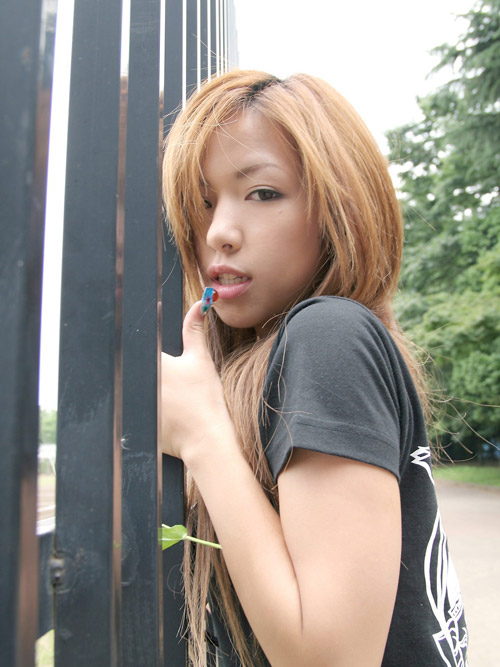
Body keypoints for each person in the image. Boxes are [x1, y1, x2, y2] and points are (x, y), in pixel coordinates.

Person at [160, 70, 468, 667]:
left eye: (262, 193)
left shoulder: (329, 336)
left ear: (338, 208)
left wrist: (199, 434)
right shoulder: (279, 357)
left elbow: (332, 658)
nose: (219, 232)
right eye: (203, 202)